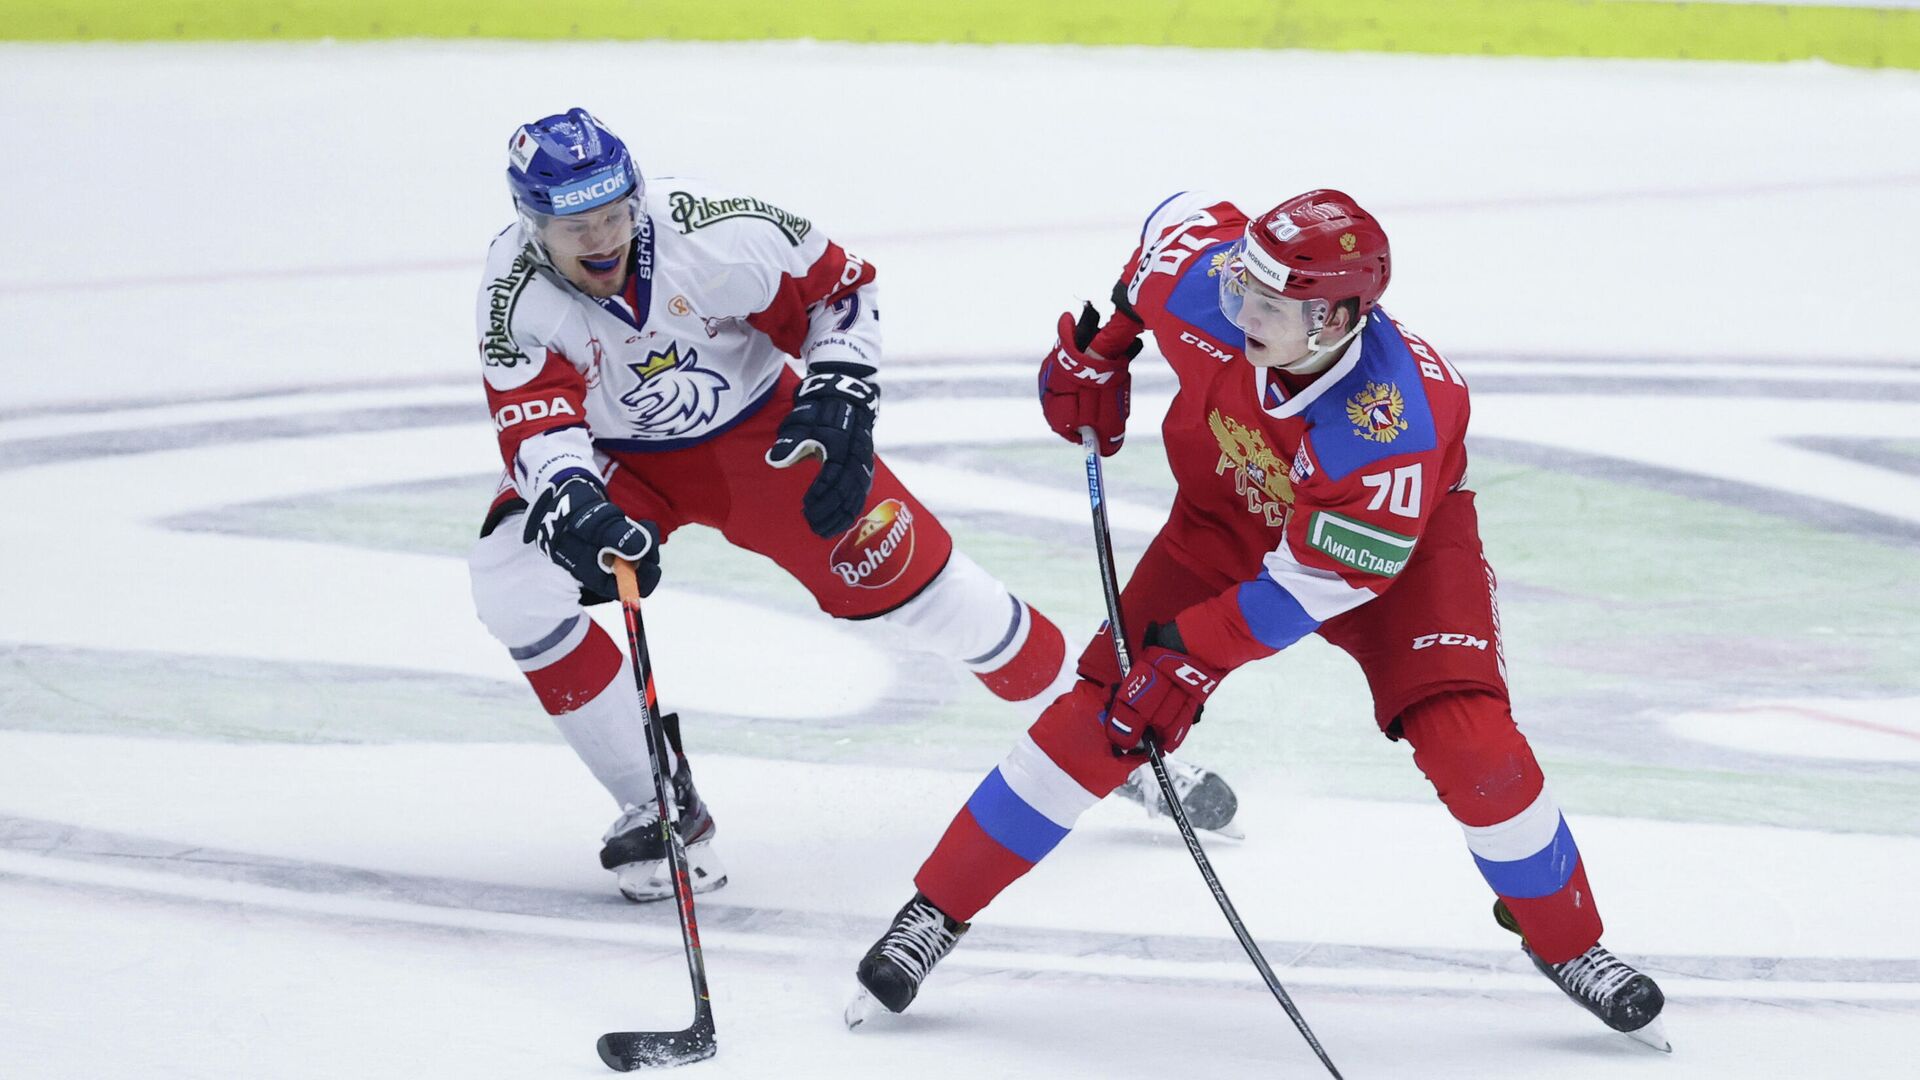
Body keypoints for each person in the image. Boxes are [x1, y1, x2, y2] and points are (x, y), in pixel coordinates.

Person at [851, 189, 1668, 1050]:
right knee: (1109, 709)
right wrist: (1105, 350)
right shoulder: (1211, 285)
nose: (1240, 310)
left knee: (1472, 743)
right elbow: (1169, 231)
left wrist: (1189, 658)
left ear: (1341, 317)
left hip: (1398, 568)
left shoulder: (1389, 427)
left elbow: (1309, 587)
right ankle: (935, 912)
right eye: (1242, 286)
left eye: (1269, 306)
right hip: (1222, 526)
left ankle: (1570, 942)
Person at [465, 109, 1241, 904]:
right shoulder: (513, 293)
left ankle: (1116, 745)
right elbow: (536, 420)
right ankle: (660, 805)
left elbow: (842, 290)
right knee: (509, 580)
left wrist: (839, 385)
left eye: (614, 214)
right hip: (615, 458)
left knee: (952, 605)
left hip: (765, 436)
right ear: (532, 226)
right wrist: (573, 499)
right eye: (575, 227)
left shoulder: (717, 232)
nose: (602, 239)